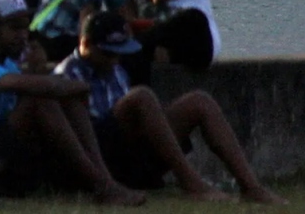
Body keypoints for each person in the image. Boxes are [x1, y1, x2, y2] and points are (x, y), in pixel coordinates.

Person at [56, 12, 286, 204]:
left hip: (132, 153)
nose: (113, 59)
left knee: (199, 101)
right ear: (85, 43)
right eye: (107, 52)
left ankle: (251, 187)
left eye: (118, 53)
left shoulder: (116, 69)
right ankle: (192, 183)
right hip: (100, 157)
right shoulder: (67, 73)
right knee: (142, 97)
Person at [0, 0, 145, 206]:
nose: (23, 35)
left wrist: (41, 72)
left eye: (25, 27)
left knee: (63, 96)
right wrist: (77, 85)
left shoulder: (7, 65)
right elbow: (41, 88)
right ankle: (103, 185)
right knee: (43, 98)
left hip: (5, 153)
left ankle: (104, 181)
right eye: (14, 27)